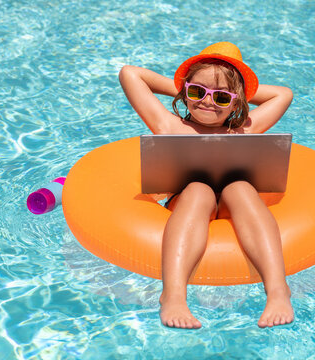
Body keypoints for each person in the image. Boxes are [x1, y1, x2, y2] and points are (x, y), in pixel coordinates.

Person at [118, 42, 294, 329]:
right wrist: (185, 85)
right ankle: (173, 295)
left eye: (222, 97)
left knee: (240, 187)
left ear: (237, 102)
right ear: (185, 93)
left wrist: (237, 90)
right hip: (188, 203)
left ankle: (277, 291)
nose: (207, 102)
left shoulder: (244, 128)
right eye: (198, 92)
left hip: (233, 206)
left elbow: (283, 94)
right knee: (198, 189)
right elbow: (130, 73)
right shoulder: (169, 126)